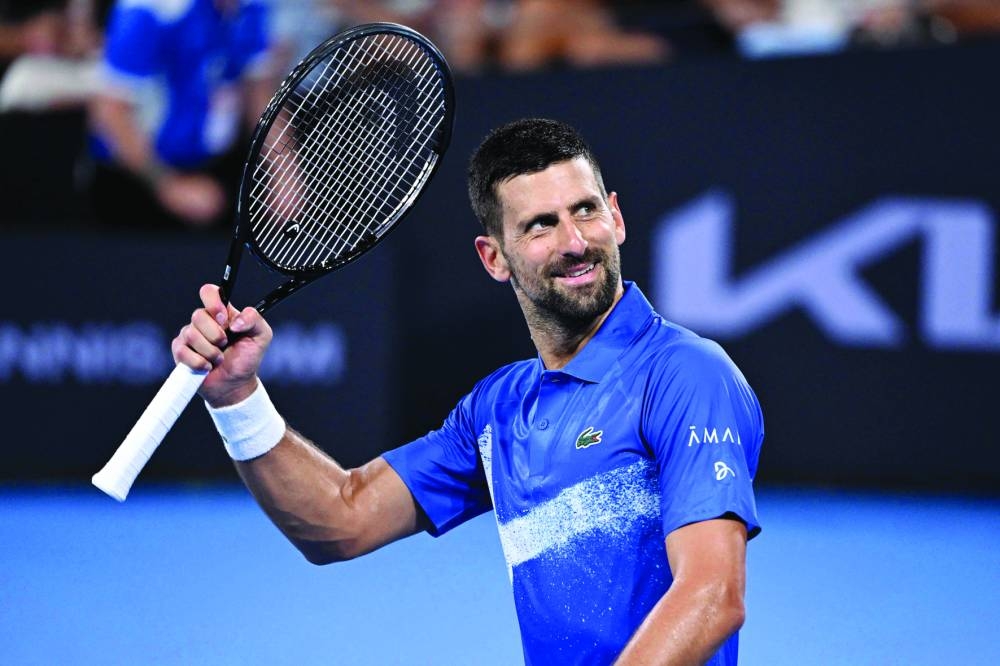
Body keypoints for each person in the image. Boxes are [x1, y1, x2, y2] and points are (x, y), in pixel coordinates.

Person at [173, 118, 764, 665]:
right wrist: (237, 396)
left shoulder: (686, 374)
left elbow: (713, 594)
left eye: (585, 211)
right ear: (494, 257)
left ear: (616, 217)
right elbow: (339, 520)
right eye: (540, 225)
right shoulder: (498, 409)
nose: (575, 241)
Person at [84, 0, 275, 230]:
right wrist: (167, 185)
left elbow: (258, 88)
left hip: (215, 171)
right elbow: (109, 111)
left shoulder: (255, 6)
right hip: (136, 179)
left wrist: (283, 172)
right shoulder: (146, 9)